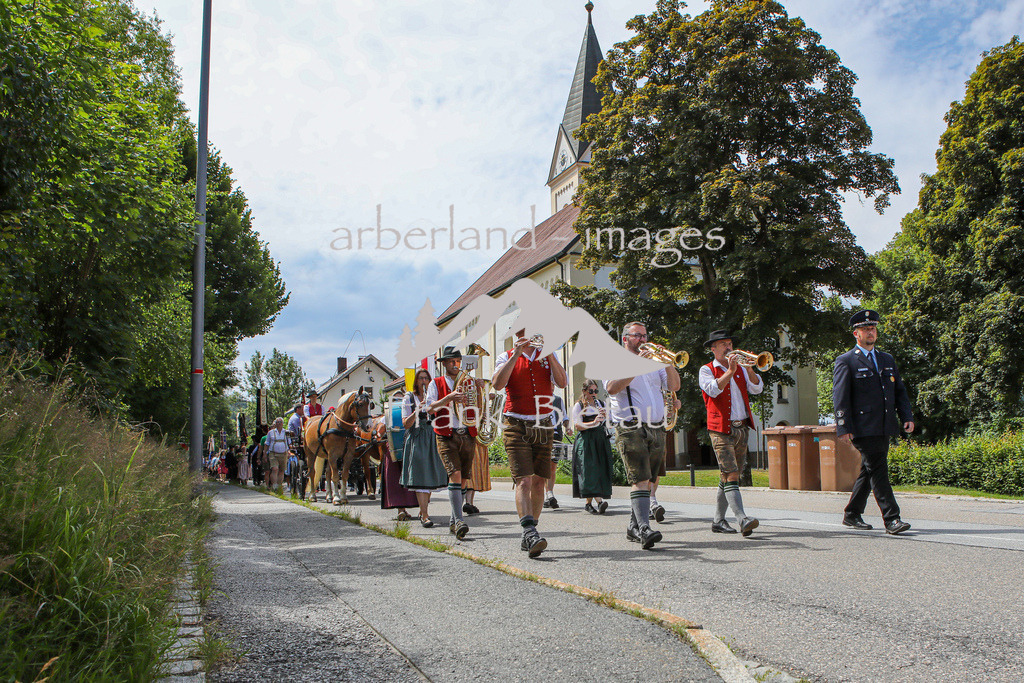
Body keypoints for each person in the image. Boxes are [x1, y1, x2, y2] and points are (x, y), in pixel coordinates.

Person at [833, 310, 915, 535]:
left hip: (884, 424)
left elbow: (899, 391)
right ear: (856, 334)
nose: (871, 332)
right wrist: (844, 427)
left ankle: (852, 514)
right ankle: (892, 519)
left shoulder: (886, 359)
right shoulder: (846, 361)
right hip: (863, 426)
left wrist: (906, 416)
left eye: (873, 328)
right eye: (866, 329)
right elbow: (840, 398)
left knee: (869, 470)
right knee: (878, 469)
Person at [492, 329, 568, 558]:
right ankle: (529, 530)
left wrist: (551, 354)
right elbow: (497, 384)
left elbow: (563, 383)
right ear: (518, 333)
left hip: (544, 425)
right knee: (523, 480)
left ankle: (531, 531)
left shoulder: (547, 355)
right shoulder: (506, 356)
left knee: (539, 482)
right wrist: (516, 355)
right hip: (516, 424)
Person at [606, 322, 680, 550]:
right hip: (630, 425)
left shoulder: (655, 362)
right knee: (639, 478)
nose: (642, 339)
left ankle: (633, 526)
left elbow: (675, 384)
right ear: (625, 338)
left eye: (644, 335)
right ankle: (645, 529)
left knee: (648, 480)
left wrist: (666, 363)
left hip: (656, 426)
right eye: (637, 335)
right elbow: (611, 388)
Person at [699, 329, 763, 536]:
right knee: (731, 472)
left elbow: (757, 389)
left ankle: (718, 521)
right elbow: (713, 390)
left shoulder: (743, 369)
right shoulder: (706, 369)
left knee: (726, 475)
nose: (729, 347)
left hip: (741, 427)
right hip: (720, 429)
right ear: (713, 348)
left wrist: (750, 368)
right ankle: (742, 518)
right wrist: (730, 371)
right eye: (724, 344)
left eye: (729, 343)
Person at [426, 347, 481, 540]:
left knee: (464, 479)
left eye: (457, 361)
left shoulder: (468, 382)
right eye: (451, 361)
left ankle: (453, 520)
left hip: (467, 432)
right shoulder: (436, 382)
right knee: (455, 474)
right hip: (446, 434)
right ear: (444, 364)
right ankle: (459, 520)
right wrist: (449, 398)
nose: (455, 364)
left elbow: (478, 405)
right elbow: (430, 408)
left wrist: (481, 389)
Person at [401, 368, 450, 527]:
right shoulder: (409, 397)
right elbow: (405, 424)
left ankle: (423, 510)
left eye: (426, 379)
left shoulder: (434, 397)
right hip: (417, 438)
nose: (423, 381)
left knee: (430, 477)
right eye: (421, 378)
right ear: (416, 381)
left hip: (432, 437)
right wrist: (417, 409)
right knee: (421, 476)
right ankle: (425, 515)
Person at [571, 379, 613, 514]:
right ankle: (600, 501)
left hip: (600, 440)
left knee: (599, 470)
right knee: (589, 471)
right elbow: (578, 426)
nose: (594, 394)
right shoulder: (579, 406)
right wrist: (593, 422)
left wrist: (605, 418)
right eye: (591, 391)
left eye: (596, 391)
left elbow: (608, 424)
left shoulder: (600, 404)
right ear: (584, 391)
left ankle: (588, 504)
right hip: (586, 441)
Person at [543, 393, 570, 510]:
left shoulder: (558, 400)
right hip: (542, 434)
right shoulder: (539, 398)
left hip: (557, 435)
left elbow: (564, 418)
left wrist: (568, 427)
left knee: (553, 466)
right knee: (544, 465)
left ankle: (549, 494)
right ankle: (549, 494)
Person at [264, 417, 290, 493]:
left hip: (283, 453)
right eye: (277, 422)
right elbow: (267, 444)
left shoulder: (286, 432)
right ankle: (274, 485)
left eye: (280, 422)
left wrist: (289, 451)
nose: (279, 424)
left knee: (282, 470)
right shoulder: (270, 433)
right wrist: (265, 454)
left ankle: (279, 485)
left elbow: (289, 443)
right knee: (275, 469)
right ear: (275, 424)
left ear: (282, 424)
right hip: (273, 453)